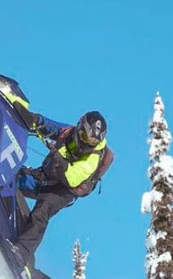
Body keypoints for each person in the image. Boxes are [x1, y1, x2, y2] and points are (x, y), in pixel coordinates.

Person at [12, 110, 113, 268]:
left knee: (42, 211)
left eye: (92, 141)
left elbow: (72, 178)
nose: (88, 143)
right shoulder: (69, 132)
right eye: (86, 137)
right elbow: (51, 127)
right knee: (12, 175)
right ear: (80, 129)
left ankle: (21, 253)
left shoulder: (93, 157)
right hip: (45, 176)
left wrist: (60, 162)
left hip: (63, 190)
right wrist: (33, 119)